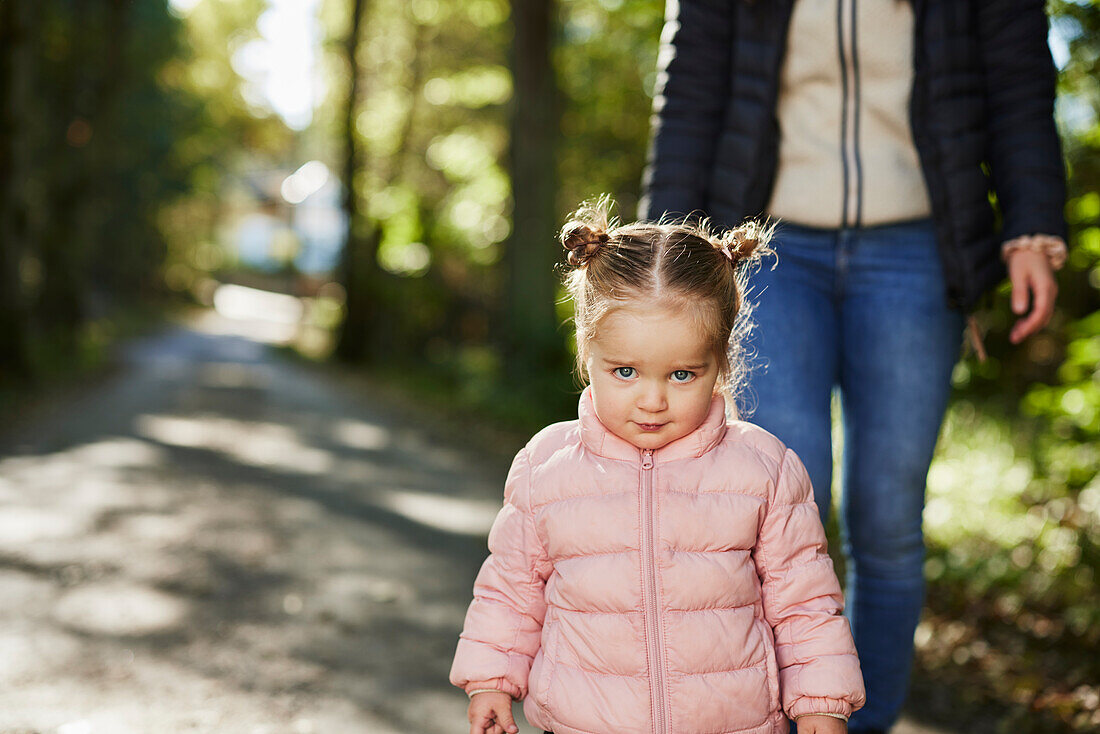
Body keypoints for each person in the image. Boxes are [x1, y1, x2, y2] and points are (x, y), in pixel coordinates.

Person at [639, 2, 1067, 733]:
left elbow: (1019, 83)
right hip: (766, 249)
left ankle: (866, 724)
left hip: (917, 251)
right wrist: (661, 257)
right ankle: (772, 718)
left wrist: (1032, 226)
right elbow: (692, 92)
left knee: (887, 514)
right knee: (777, 502)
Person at [449, 198, 866, 734]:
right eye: (625, 371)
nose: (652, 400)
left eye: (682, 375)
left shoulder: (763, 469)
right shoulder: (546, 467)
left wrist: (820, 703)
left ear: (720, 362)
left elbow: (805, 603)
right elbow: (510, 591)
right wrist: (491, 680)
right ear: (586, 354)